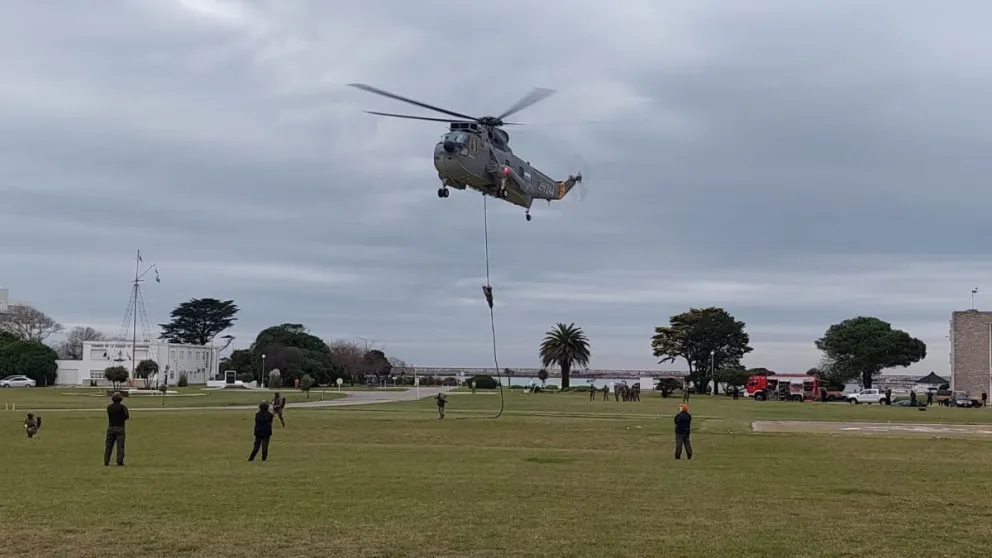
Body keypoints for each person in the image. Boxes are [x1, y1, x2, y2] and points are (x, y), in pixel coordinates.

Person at [104, 392, 129, 466]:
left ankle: (106, 460)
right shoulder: (123, 407)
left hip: (111, 427)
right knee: (120, 445)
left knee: (108, 445)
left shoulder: (109, 407)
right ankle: (119, 461)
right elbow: (126, 416)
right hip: (120, 427)